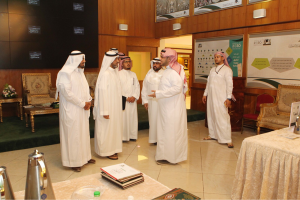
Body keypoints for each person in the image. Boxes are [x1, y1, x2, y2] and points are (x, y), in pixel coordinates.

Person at [56, 50, 95, 172]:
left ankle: (85, 157)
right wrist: (82, 103)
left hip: (82, 109)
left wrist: (89, 100)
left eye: (84, 59)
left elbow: (85, 89)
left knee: (83, 133)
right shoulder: (65, 73)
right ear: (74, 60)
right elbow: (66, 93)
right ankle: (74, 162)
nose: (84, 61)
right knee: (73, 135)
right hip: (72, 110)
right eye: (82, 59)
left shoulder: (80, 73)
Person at [149, 48, 188, 164]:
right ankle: (165, 156)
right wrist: (159, 92)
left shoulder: (173, 72)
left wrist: (158, 93)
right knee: (165, 132)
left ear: (169, 59)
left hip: (172, 109)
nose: (160, 59)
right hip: (166, 108)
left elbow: (177, 88)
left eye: (162, 57)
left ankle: (172, 158)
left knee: (171, 133)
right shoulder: (168, 71)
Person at [93, 51, 123, 160]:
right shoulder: (105, 74)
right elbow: (102, 93)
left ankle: (113, 149)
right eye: (116, 59)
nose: (118, 61)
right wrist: (105, 111)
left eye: (118, 59)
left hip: (114, 107)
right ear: (110, 60)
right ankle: (106, 151)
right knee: (106, 130)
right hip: (107, 108)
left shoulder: (114, 73)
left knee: (113, 129)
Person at [202, 51, 234, 148]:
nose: (216, 58)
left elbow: (230, 85)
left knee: (223, 117)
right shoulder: (212, 70)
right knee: (211, 116)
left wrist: (229, 98)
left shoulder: (227, 70)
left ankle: (227, 139)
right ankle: (212, 135)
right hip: (211, 97)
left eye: (218, 57)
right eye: (215, 57)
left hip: (221, 98)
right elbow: (208, 83)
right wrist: (205, 94)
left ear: (223, 58)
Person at [141, 58, 164, 144]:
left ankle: (162, 139)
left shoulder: (165, 73)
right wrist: (145, 101)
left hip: (162, 101)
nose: (155, 65)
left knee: (162, 119)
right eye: (154, 63)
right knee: (153, 119)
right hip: (152, 101)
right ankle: (154, 139)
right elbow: (145, 88)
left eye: (157, 63)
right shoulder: (149, 74)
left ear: (161, 64)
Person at [118, 56, 140, 141]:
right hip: (124, 101)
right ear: (122, 64)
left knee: (132, 118)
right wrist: (126, 97)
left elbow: (137, 86)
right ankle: (123, 137)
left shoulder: (133, 74)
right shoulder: (119, 74)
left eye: (129, 62)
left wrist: (134, 96)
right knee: (124, 118)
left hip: (132, 101)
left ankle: (132, 135)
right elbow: (117, 88)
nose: (128, 63)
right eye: (126, 62)